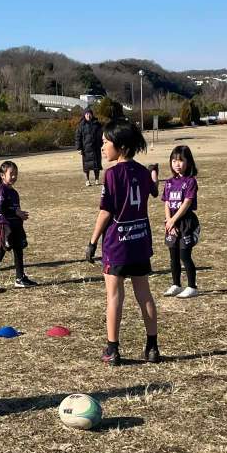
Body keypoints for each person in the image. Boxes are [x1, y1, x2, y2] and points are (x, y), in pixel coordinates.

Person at [85, 119, 160, 366]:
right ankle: (152, 347)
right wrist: (154, 175)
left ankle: (112, 349)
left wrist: (92, 241)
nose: (102, 147)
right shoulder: (141, 171)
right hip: (140, 240)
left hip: (118, 244)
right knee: (144, 294)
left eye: (106, 142)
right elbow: (153, 191)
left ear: (122, 146)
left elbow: (106, 212)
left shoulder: (112, 174)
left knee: (114, 296)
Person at [0, 161, 36, 293]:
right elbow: (0, 211)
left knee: (19, 251)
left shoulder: (14, 192)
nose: (14, 176)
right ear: (2, 175)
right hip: (5, 227)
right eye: (11, 174)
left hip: (16, 226)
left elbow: (15, 209)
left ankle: (20, 278)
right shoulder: (1, 190)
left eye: (16, 174)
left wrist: (20, 216)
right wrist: (15, 213)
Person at [162, 145, 200, 298]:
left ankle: (192, 287)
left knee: (185, 255)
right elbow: (166, 202)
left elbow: (187, 203)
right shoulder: (169, 182)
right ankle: (176, 284)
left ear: (188, 162)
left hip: (185, 223)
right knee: (173, 256)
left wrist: (174, 220)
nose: (177, 164)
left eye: (180, 160)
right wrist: (169, 222)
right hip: (171, 223)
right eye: (174, 161)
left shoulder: (190, 181)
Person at [75, 108, 103, 186]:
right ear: (84, 115)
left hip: (96, 148)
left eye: (89, 113)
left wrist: (101, 145)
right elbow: (78, 137)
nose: (88, 115)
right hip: (86, 149)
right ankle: (87, 180)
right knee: (86, 166)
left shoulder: (97, 124)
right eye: (86, 114)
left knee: (97, 165)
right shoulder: (81, 125)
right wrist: (79, 148)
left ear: (92, 114)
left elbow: (101, 135)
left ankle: (97, 180)